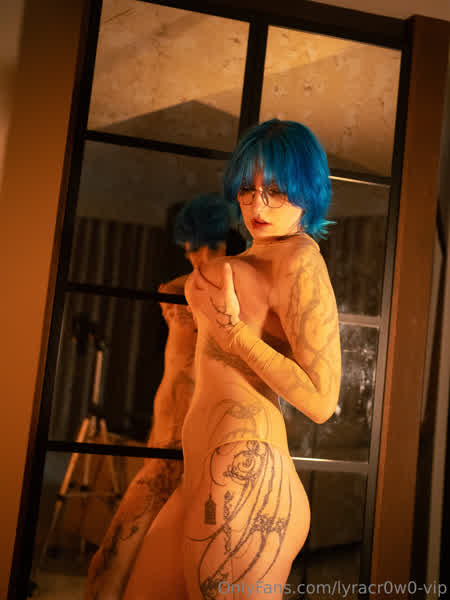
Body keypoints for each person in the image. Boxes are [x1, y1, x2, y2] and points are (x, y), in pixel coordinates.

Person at [123, 119, 342, 600]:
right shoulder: (252, 260)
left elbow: (322, 400)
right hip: (206, 472)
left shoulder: (300, 261)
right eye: (248, 188)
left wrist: (237, 337)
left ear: (307, 190)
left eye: (276, 191)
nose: (256, 205)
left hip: (246, 475)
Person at [85, 194, 240, 600]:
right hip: (169, 435)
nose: (193, 257)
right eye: (190, 250)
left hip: (184, 442)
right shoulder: (189, 285)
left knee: (121, 558)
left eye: (198, 248)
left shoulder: (229, 290)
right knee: (126, 559)